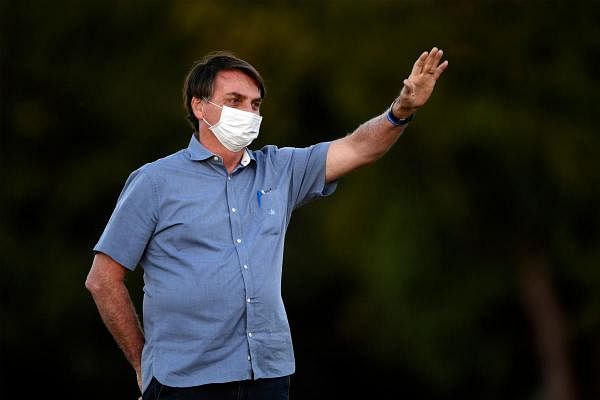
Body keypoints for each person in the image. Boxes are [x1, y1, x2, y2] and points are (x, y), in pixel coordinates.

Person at [85, 47, 448, 400]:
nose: (248, 112)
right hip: (183, 379)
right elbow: (103, 279)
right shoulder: (155, 182)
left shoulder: (280, 169)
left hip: (267, 375)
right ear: (199, 106)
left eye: (255, 104)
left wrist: (400, 110)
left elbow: (358, 148)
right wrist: (141, 363)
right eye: (235, 100)